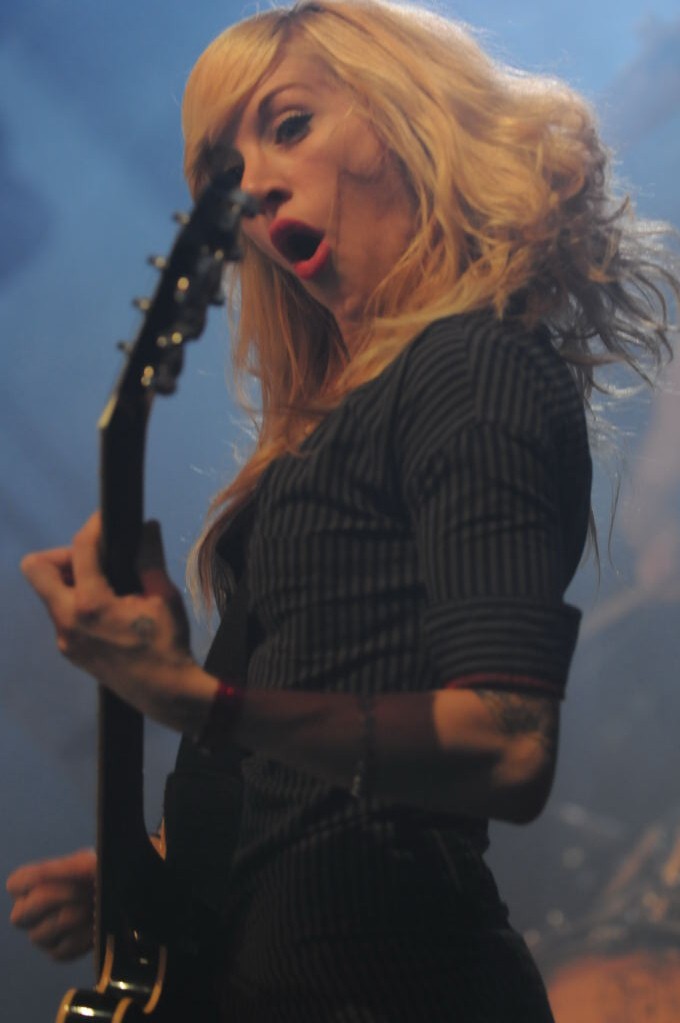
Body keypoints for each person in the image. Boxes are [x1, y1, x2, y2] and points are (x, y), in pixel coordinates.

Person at [7, 1, 678, 1019]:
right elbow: (307, 768)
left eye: (289, 125)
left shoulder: (473, 364)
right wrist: (168, 862)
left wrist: (198, 699)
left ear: (404, 118)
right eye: (225, 171)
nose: (257, 183)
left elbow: (506, 745)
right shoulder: (327, 437)